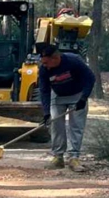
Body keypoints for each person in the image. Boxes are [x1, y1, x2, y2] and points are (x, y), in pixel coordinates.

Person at [37, 43, 95, 172]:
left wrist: (83, 98)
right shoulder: (44, 69)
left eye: (46, 63)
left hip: (77, 95)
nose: (44, 66)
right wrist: (46, 113)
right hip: (58, 96)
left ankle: (74, 158)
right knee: (56, 126)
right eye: (43, 63)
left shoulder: (73, 61)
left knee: (76, 126)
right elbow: (44, 91)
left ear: (55, 58)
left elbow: (90, 78)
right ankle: (58, 157)